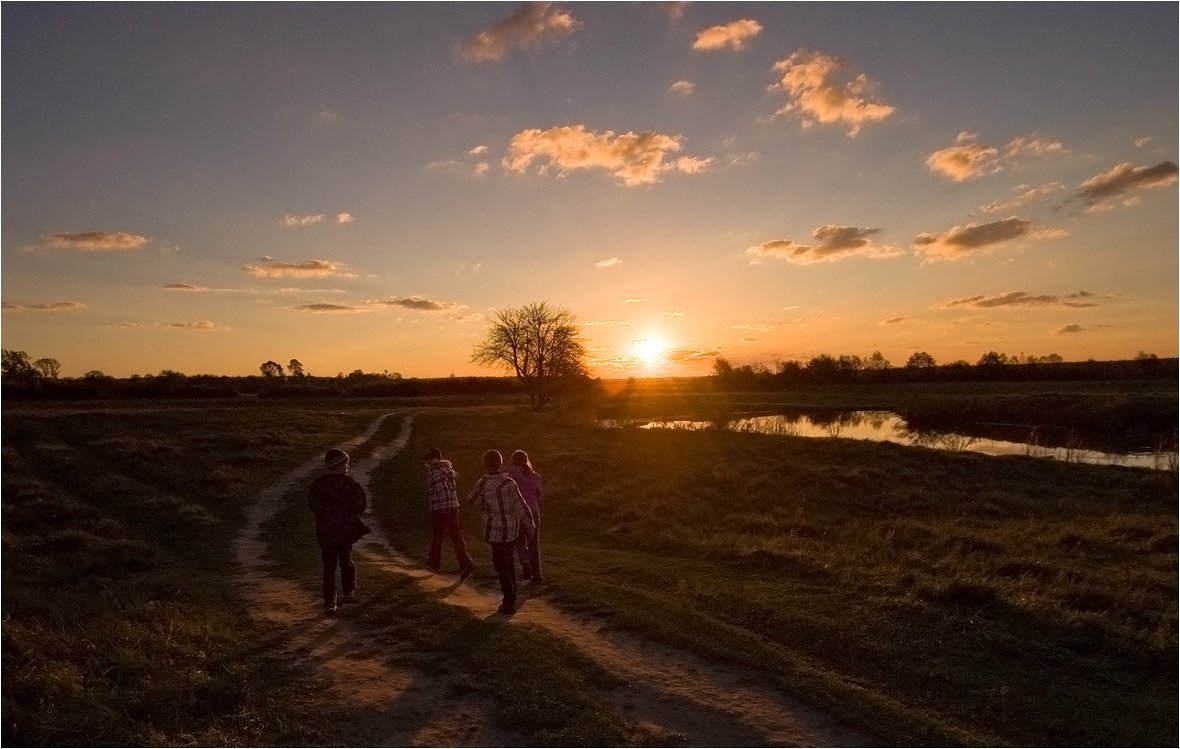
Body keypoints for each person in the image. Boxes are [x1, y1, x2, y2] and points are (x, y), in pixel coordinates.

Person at [466, 449, 536, 615]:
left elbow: (471, 501)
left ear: (485, 465)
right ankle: (513, 593)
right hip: (511, 530)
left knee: (500, 565)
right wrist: (530, 525)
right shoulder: (509, 483)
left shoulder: (483, 483)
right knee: (509, 560)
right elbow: (521, 506)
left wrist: (483, 501)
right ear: (501, 463)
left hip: (494, 532)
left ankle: (508, 600)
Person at [307, 448, 368, 615]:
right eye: (346, 464)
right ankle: (349, 590)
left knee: (329, 567)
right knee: (346, 560)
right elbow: (360, 505)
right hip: (344, 531)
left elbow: (313, 505)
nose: (348, 467)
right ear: (340, 465)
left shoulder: (318, 485)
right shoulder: (349, 484)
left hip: (326, 533)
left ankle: (330, 602)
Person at [422, 447, 474, 580]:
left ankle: (434, 562)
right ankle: (464, 562)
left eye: (429, 460)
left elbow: (443, 491)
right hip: (454, 506)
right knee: (455, 534)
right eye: (427, 460)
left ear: (436, 459)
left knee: (437, 535)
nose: (427, 463)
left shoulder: (436, 472)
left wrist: (443, 510)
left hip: (441, 508)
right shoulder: (447, 470)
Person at [508, 449, 545, 584]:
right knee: (534, 542)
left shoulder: (511, 476)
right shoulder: (535, 477)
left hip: (518, 512)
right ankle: (537, 574)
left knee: (519, 540)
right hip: (534, 512)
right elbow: (540, 496)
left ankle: (525, 559)